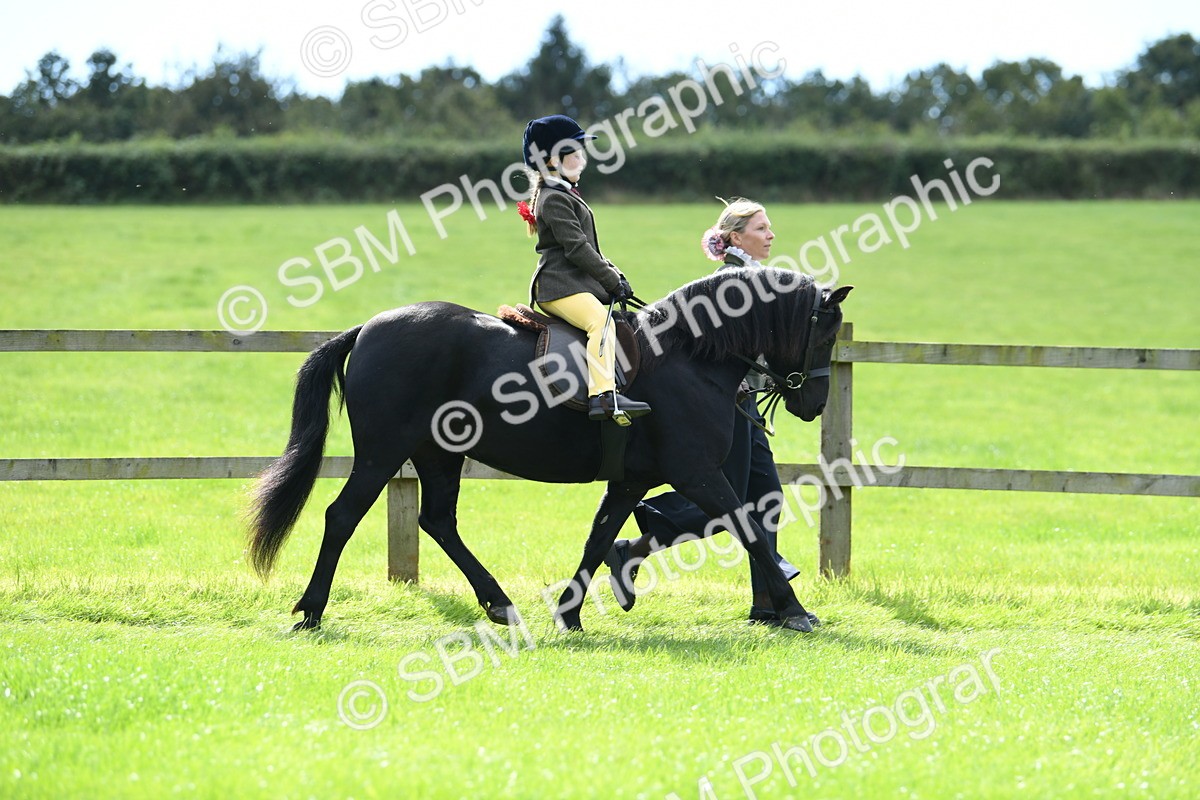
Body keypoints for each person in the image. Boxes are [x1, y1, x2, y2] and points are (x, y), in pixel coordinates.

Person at [604, 198, 819, 628]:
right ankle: (633, 546)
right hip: (728, 409)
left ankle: (767, 604)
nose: (770, 235)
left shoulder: (758, 281)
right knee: (729, 506)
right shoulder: (729, 284)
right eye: (761, 228)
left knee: (767, 501)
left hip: (748, 407)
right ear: (736, 237)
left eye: (769, 227)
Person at [518, 114, 651, 425]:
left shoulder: (563, 193)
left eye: (581, 153)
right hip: (558, 286)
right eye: (574, 153)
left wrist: (616, 276)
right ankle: (603, 396)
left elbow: (592, 249)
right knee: (599, 323)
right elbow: (577, 249)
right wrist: (610, 279)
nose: (582, 160)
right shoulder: (553, 199)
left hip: (574, 283)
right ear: (551, 161)